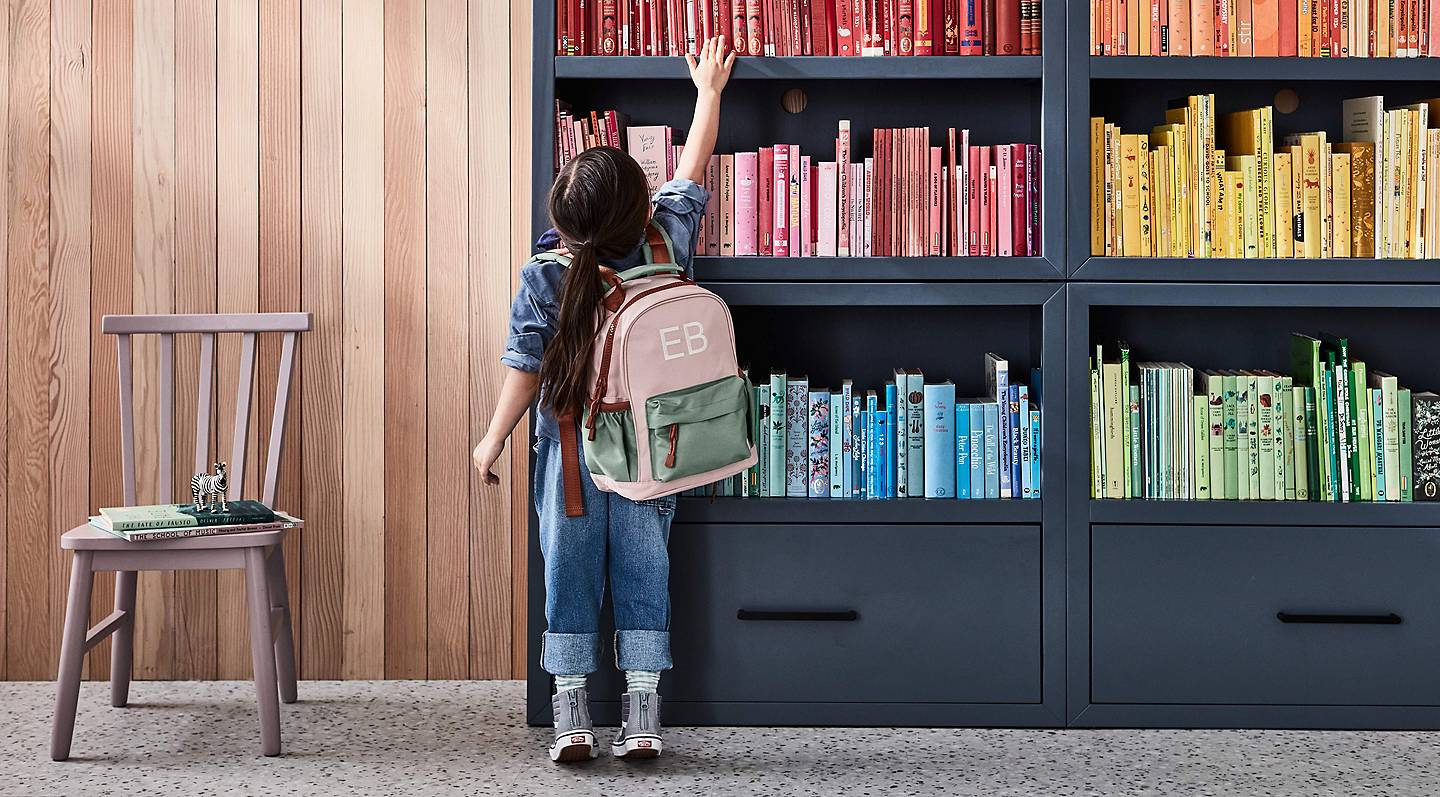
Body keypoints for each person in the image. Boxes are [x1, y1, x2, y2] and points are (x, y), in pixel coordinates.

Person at [473, 35, 735, 763]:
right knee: (645, 566)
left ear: (565, 217)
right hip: (656, 443)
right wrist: (707, 92)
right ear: (636, 208)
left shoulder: (542, 273)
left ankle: (571, 714)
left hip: (570, 449)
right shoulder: (666, 240)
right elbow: (691, 168)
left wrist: (491, 440)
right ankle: (643, 712)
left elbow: (525, 369)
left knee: (570, 569)